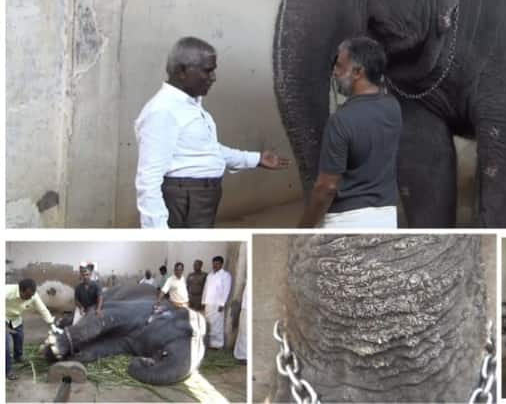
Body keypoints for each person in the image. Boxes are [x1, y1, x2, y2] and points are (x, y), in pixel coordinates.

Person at [135, 36, 291, 228]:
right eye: (207, 70)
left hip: (198, 199)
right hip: (184, 200)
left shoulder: (191, 106)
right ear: (181, 71)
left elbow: (207, 150)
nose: (213, 77)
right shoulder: (162, 111)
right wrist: (157, 233)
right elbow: (148, 179)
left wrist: (256, 159)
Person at [298, 37, 402, 228]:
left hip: (346, 221)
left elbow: (327, 187)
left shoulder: (340, 121)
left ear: (357, 72)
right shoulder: (393, 107)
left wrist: (303, 228)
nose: (335, 73)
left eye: (339, 66)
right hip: (387, 218)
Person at [6, 279, 59, 381]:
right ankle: (7, 370)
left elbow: (42, 309)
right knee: (5, 344)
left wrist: (52, 324)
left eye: (32, 295)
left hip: (16, 318)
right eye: (28, 296)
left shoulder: (33, 295)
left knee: (19, 337)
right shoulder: (7, 291)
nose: (30, 298)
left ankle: (18, 356)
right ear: (21, 291)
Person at [202, 256, 232, 349]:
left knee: (217, 325)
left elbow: (226, 290)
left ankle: (218, 345)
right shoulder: (210, 275)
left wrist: (222, 303)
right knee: (208, 324)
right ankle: (209, 344)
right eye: (214, 263)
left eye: (217, 263)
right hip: (208, 304)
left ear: (221, 264)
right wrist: (203, 301)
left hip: (217, 305)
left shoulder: (225, 275)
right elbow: (205, 289)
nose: (215, 265)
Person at [233, 282, 248, 362]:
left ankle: (245, 356)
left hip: (247, 309)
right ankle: (242, 355)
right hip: (245, 308)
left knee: (246, 333)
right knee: (243, 332)